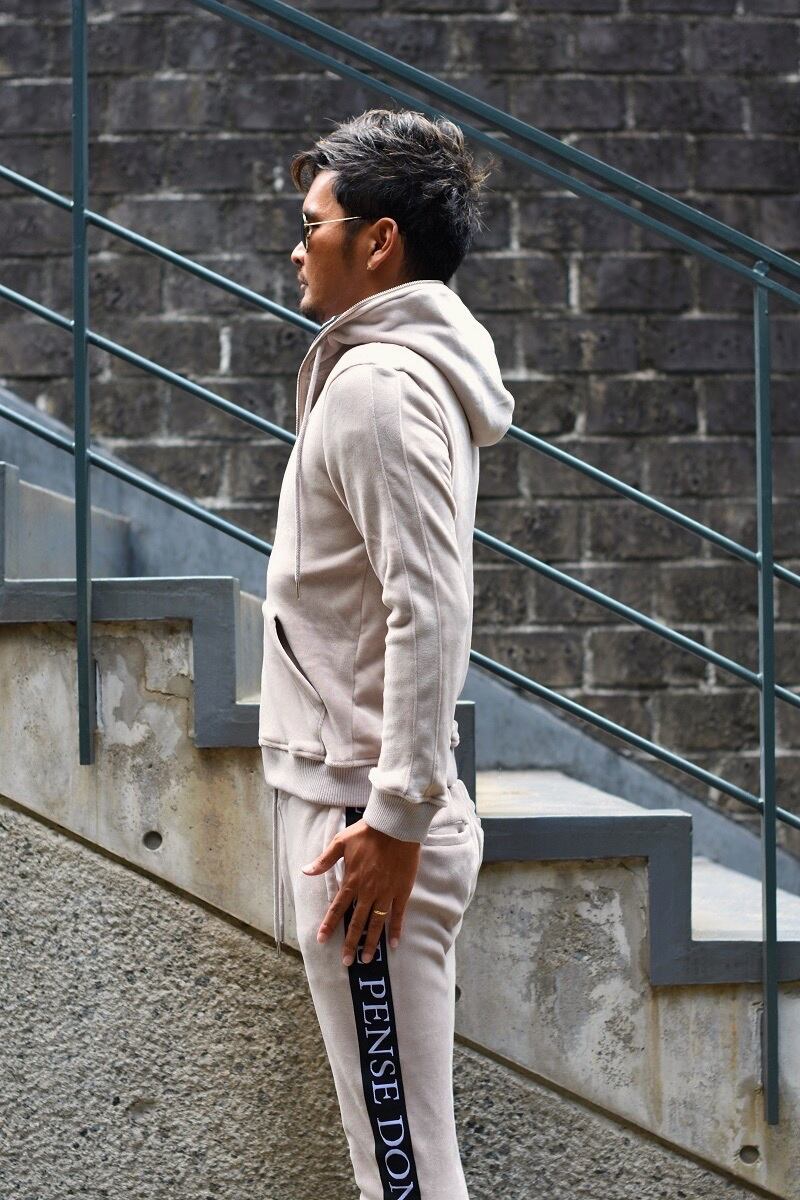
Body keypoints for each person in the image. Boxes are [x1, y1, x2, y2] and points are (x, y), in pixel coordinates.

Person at [259, 107, 514, 1199]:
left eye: (310, 225)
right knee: (399, 1167)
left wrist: (396, 819)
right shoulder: (391, 373)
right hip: (362, 810)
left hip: (367, 828)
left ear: (378, 242)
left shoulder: (376, 389)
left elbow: (430, 604)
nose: (295, 247)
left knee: (404, 1180)